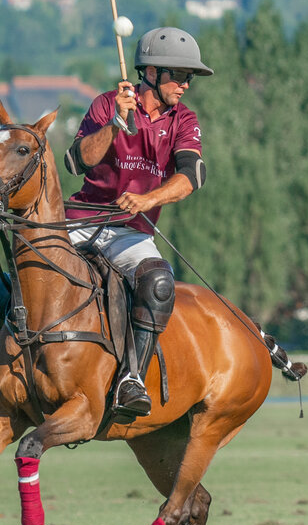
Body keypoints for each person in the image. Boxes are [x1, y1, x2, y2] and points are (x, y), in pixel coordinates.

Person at [63, 26, 212, 419]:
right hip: (81, 218)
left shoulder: (183, 119)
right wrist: (115, 123)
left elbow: (191, 175)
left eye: (189, 78)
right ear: (152, 72)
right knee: (24, 261)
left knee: (159, 282)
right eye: (180, 76)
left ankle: (131, 378)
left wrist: (149, 199)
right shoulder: (106, 104)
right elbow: (78, 161)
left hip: (131, 232)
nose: (185, 86)